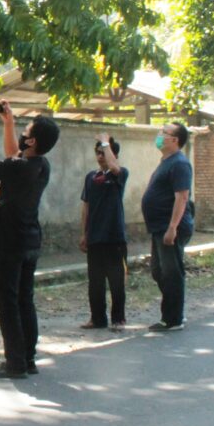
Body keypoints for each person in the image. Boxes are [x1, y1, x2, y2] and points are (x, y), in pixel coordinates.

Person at [0, 102, 60, 379]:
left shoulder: (20, 166)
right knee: (25, 301)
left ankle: (14, 364)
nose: (22, 133)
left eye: (25, 130)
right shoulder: (40, 165)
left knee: (8, 305)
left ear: (32, 140)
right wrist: (8, 124)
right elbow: (14, 157)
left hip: (9, 244)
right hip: (30, 242)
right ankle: (27, 358)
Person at [141, 121, 193, 332]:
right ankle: (174, 311)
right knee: (158, 271)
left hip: (170, 226)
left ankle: (173, 319)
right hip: (158, 226)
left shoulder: (179, 163)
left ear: (175, 140)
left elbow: (182, 197)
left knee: (171, 272)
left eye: (165, 132)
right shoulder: (166, 161)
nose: (159, 135)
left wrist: (173, 227)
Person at [78, 133, 128, 330]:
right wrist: (84, 233)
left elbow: (114, 168)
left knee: (116, 281)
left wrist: (107, 143)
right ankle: (97, 318)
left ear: (113, 154)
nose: (100, 157)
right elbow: (86, 207)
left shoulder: (120, 174)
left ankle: (118, 319)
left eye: (104, 153)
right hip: (95, 237)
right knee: (95, 282)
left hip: (115, 237)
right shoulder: (91, 177)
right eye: (98, 153)